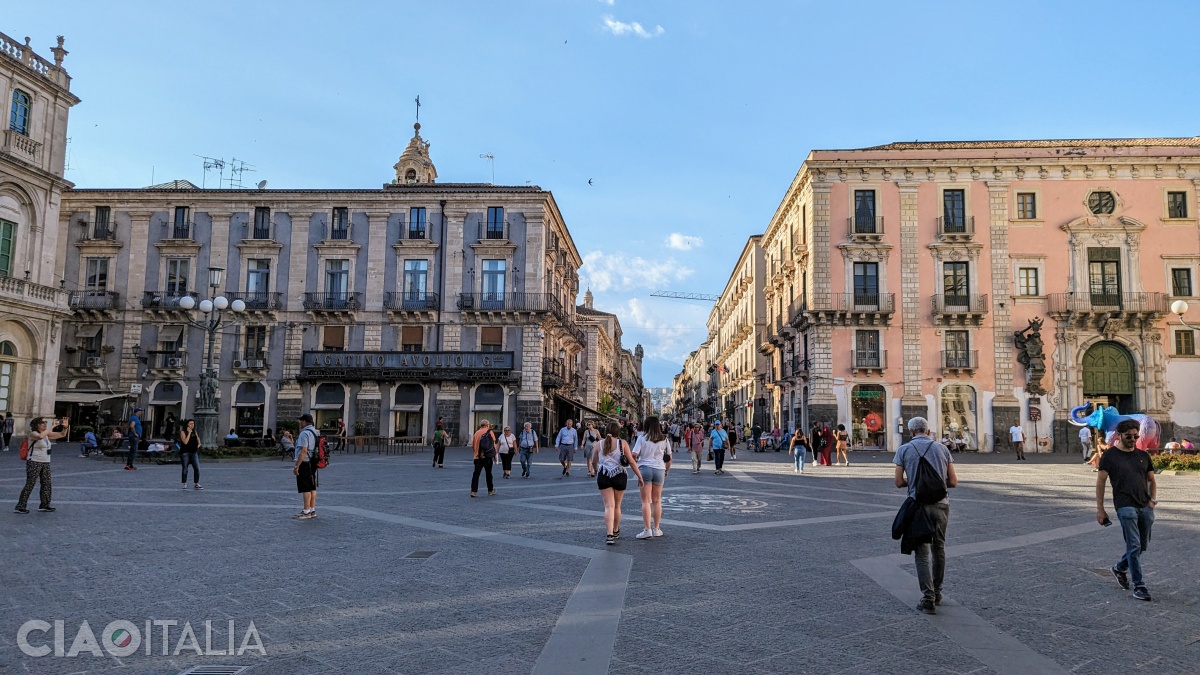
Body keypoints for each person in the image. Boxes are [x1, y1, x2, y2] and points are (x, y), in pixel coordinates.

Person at [893, 416, 958, 615]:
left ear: (911, 432)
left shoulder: (904, 450)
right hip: (941, 504)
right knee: (939, 548)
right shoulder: (942, 449)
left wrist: (914, 484)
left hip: (918, 506)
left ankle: (927, 597)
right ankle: (938, 592)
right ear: (928, 431)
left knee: (922, 553)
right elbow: (953, 481)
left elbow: (898, 482)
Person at [1096, 419, 1158, 602]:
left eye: (1136, 436)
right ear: (1119, 435)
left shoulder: (1143, 455)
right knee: (1134, 545)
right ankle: (1139, 586)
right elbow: (1100, 482)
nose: (1133, 439)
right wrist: (1101, 509)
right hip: (1124, 505)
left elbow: (1151, 480)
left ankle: (1119, 567)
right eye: (1129, 436)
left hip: (1145, 505)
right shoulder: (1110, 456)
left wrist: (1152, 501)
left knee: (1142, 545)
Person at [591, 421, 644, 545]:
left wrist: (595, 470)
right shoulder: (622, 443)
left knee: (608, 506)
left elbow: (594, 461)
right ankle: (615, 529)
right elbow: (631, 461)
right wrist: (639, 476)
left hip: (604, 474)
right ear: (617, 432)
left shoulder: (599, 444)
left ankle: (609, 534)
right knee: (617, 506)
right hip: (620, 475)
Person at [16, 416, 70, 513]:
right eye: (42, 423)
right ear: (36, 425)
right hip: (34, 462)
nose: (45, 424)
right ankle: (20, 506)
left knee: (46, 483)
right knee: (30, 483)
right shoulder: (33, 434)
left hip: (45, 462)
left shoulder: (46, 434)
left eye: (45, 423)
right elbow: (40, 437)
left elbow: (61, 435)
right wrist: (52, 426)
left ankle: (45, 505)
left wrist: (65, 427)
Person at [632, 417, 671, 539]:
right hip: (659, 469)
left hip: (645, 468)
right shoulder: (664, 439)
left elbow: (634, 455)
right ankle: (657, 528)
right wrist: (666, 470)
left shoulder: (642, 438)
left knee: (645, 501)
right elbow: (669, 458)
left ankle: (647, 529)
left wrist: (637, 469)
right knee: (657, 500)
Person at [293, 414, 320, 519]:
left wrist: (296, 466)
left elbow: (303, 451)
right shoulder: (315, 432)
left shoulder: (304, 433)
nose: (299, 423)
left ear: (304, 422)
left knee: (306, 487)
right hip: (313, 462)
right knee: (312, 486)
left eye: (300, 421)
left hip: (305, 462)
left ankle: (306, 512)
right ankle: (312, 510)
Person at [471, 420, 497, 497]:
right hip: (487, 456)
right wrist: (495, 455)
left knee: (476, 474)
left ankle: (473, 491)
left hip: (477, 456)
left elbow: (473, 445)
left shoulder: (476, 433)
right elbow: (493, 445)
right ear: (487, 425)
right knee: (488, 474)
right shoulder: (490, 432)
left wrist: (476, 452)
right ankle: (490, 490)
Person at [179, 419, 201, 490]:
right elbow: (185, 442)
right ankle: (184, 483)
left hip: (194, 452)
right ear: (187, 424)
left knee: (197, 468)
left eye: (193, 424)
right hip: (185, 452)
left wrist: (199, 444)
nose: (192, 425)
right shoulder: (183, 432)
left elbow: (198, 438)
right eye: (190, 424)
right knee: (185, 468)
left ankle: (196, 483)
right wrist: (189, 433)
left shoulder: (194, 431)